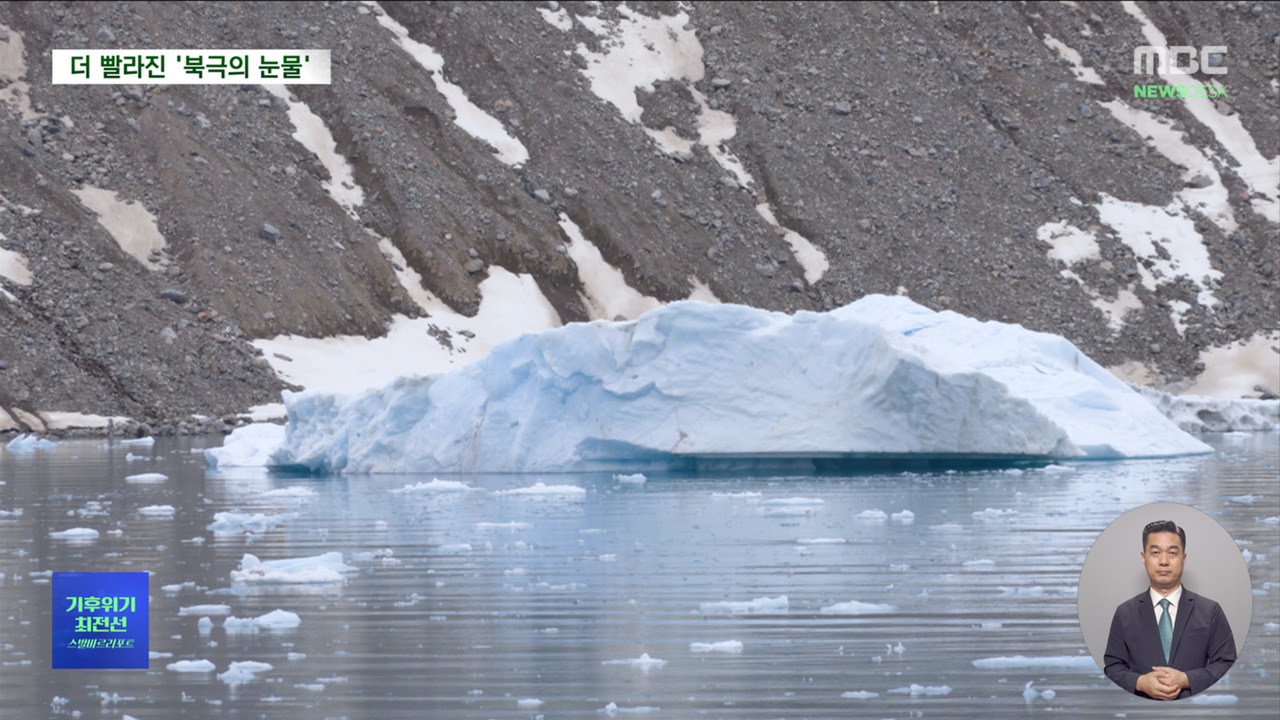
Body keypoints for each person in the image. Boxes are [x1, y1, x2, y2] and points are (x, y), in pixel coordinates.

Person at [1103, 519, 1236, 700]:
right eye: (1155, 552)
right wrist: (1140, 682)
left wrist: (1187, 679)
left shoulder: (1210, 610)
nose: (1164, 561)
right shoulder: (1124, 612)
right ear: (1144, 558)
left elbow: (1227, 663)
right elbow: (1112, 666)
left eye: (1172, 553)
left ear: (1183, 558)